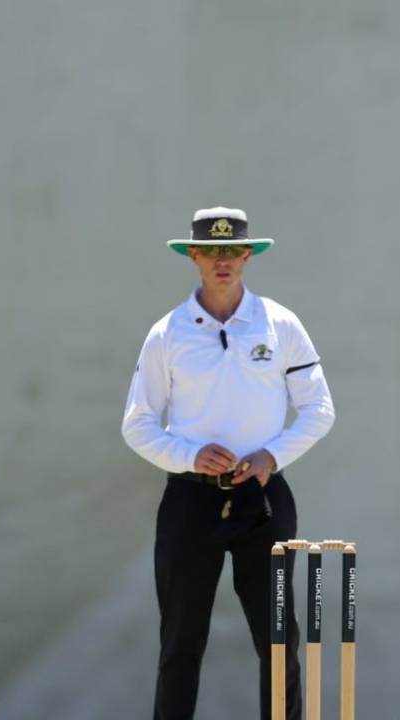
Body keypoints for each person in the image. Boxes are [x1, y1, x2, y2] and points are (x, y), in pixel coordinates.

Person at [122, 207, 335, 719]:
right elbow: (138, 424)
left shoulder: (279, 323)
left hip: (262, 498)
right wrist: (189, 453)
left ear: (248, 254)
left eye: (232, 250)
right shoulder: (168, 332)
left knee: (280, 640)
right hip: (190, 500)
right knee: (180, 642)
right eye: (211, 251)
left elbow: (319, 409)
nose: (223, 261)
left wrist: (271, 454)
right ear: (193, 255)